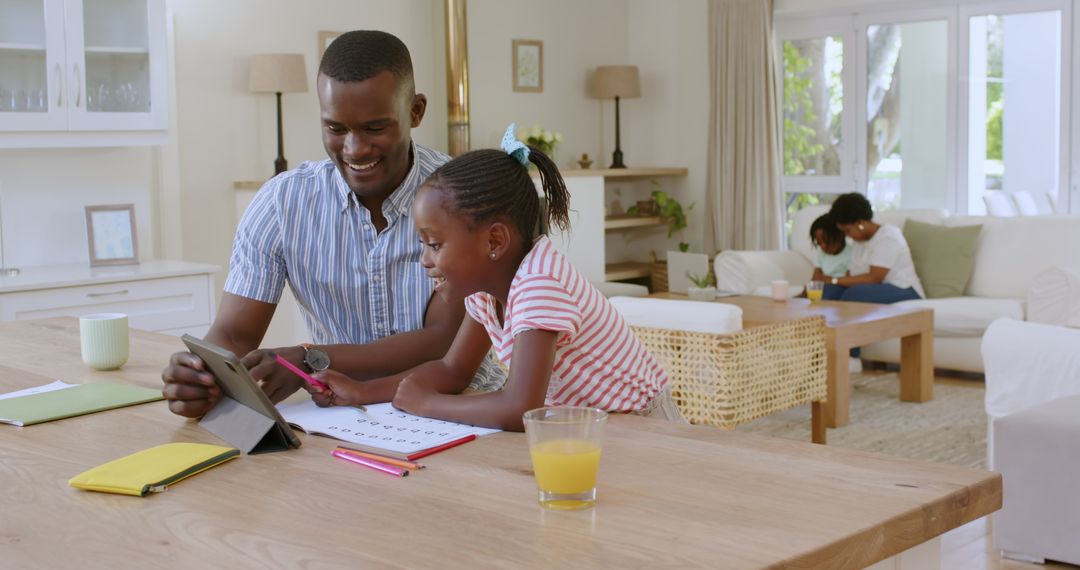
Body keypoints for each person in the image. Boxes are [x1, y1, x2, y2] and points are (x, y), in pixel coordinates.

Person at [161, 30, 501, 418]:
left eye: (375, 128)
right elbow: (235, 335)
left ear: (416, 111)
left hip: (462, 408)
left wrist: (312, 359)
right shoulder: (281, 204)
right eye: (336, 129)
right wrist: (203, 375)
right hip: (339, 413)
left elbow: (442, 343)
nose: (354, 149)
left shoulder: (462, 197)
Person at [303, 125, 680, 431]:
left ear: (494, 241)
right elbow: (453, 370)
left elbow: (519, 408)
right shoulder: (487, 293)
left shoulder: (538, 284)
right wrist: (361, 391)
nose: (424, 260)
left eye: (434, 244)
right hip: (583, 427)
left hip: (642, 427)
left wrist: (429, 404)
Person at [822, 193, 924, 304]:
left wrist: (834, 280)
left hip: (904, 289)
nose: (847, 236)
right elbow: (852, 274)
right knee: (827, 291)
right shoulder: (859, 240)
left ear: (860, 223)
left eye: (847, 230)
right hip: (874, 288)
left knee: (853, 295)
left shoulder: (888, 236)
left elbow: (874, 278)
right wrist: (831, 283)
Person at [809, 213, 851, 282]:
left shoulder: (851, 253)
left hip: (843, 287)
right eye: (819, 243)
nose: (823, 246)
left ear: (840, 236)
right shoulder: (821, 252)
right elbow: (816, 277)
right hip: (825, 286)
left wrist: (829, 280)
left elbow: (848, 280)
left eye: (827, 241)